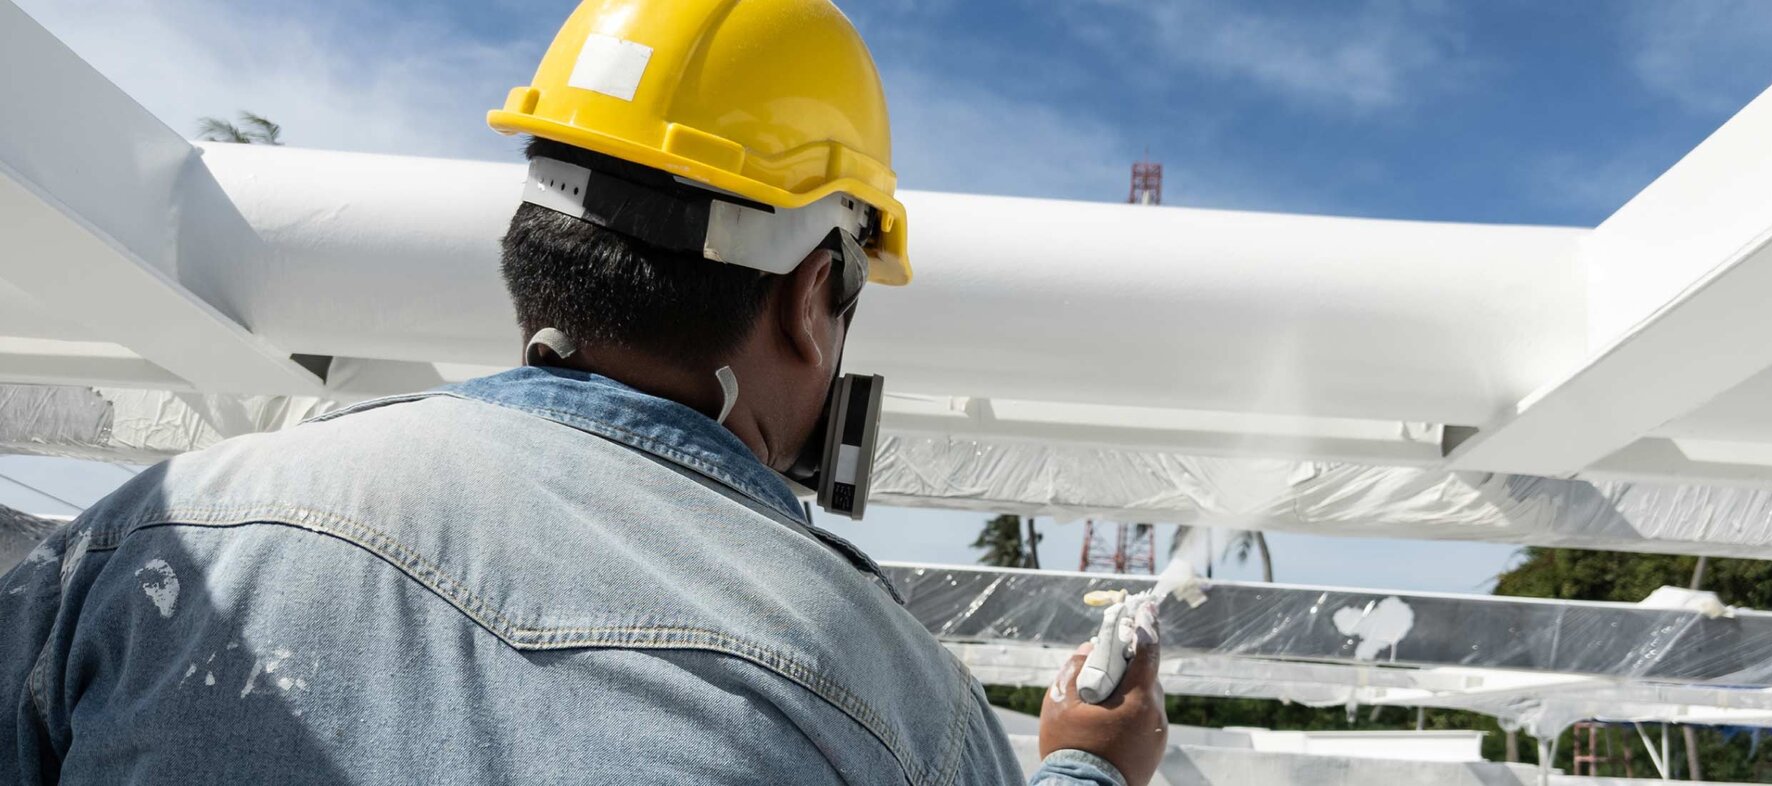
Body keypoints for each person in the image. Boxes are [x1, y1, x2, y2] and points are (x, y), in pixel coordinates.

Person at [0, 0, 1167, 783]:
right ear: (814, 295)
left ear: (533, 241)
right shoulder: (894, 709)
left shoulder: (149, 546)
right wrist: (1086, 767)